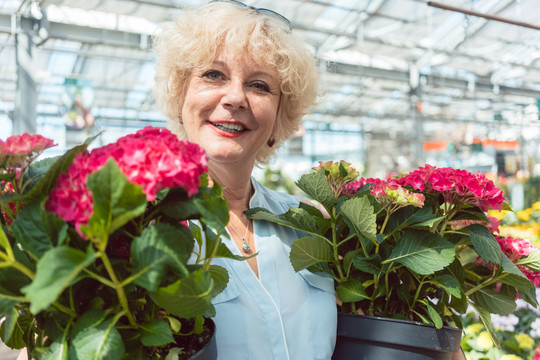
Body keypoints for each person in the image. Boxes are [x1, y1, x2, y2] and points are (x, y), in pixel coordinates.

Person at [152, 1, 336, 359]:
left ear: (280, 117)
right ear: (180, 98)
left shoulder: (309, 224)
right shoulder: (143, 226)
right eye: (213, 75)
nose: (235, 97)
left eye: (259, 85)